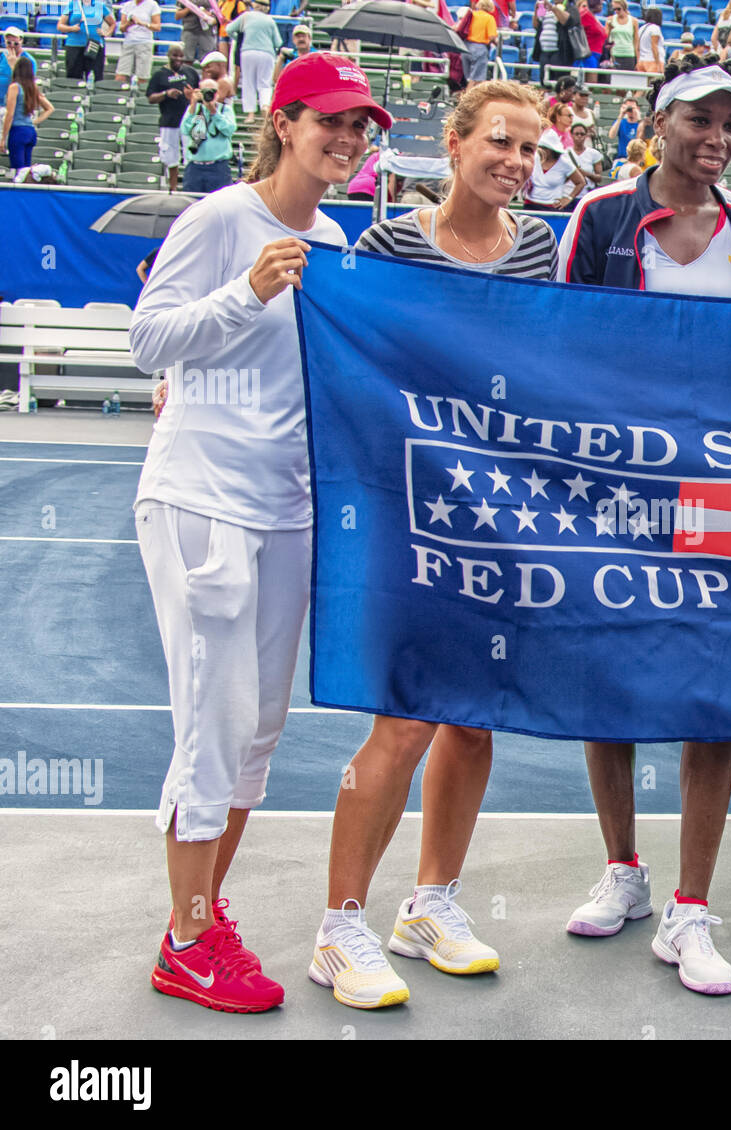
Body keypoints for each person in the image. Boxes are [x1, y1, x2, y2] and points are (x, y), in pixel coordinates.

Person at [129, 52, 389, 1013]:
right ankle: (188, 941)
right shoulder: (221, 218)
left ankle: (198, 914)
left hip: (289, 511)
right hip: (203, 501)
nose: (349, 140)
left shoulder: (332, 233)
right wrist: (246, 291)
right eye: (332, 121)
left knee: (254, 740)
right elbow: (148, 341)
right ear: (282, 122)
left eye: (362, 128)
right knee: (212, 727)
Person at [308, 81, 558, 1011]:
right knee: (406, 717)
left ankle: (432, 905)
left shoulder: (539, 247)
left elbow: (548, 371)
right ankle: (340, 927)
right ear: (452, 146)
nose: (517, 163)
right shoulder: (387, 245)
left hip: (500, 517)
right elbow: (363, 371)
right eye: (500, 142)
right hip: (406, 512)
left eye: (532, 151)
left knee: (471, 713)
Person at [556, 58, 731, 997]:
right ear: (659, 123)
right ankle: (625, 870)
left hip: (721, 498)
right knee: (608, 680)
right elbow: (557, 338)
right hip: (616, 493)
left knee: (713, 691)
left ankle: (691, 910)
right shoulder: (603, 217)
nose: (717, 138)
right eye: (700, 119)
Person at [147, 45, 201, 192]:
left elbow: (201, 92)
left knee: (192, 155)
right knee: (171, 157)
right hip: (169, 121)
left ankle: (190, 186)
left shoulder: (191, 72)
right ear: (168, 55)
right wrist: (166, 94)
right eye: (175, 55)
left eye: (180, 56)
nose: (178, 59)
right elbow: (150, 97)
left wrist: (192, 94)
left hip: (190, 121)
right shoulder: (159, 75)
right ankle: (173, 188)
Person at [180, 78, 238, 192]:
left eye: (212, 91)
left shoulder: (225, 110)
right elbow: (184, 130)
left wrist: (214, 112)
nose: (209, 94)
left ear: (217, 94)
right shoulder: (194, 109)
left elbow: (229, 130)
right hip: (195, 168)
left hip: (218, 168)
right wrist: (193, 104)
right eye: (205, 91)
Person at [224, 0, 280, 120]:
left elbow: (228, 29)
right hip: (267, 52)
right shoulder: (270, 21)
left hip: (248, 51)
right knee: (265, 83)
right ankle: (265, 105)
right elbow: (278, 42)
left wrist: (237, 38)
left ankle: (250, 114)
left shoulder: (246, 17)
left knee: (248, 82)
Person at [1, 56, 51, 172]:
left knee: (18, 171)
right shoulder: (32, 87)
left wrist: (3, 138)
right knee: (26, 170)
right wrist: (34, 122)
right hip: (30, 131)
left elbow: (10, 114)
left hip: (18, 131)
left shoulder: (15, 87)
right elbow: (49, 108)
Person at [523, 126, 585, 207]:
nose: (541, 150)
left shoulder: (564, 163)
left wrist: (569, 198)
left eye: (545, 148)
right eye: (540, 147)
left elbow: (581, 182)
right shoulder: (534, 158)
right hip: (529, 204)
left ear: (552, 150)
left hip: (552, 207)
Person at [58, 0, 115, 82]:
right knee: (73, 78)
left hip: (94, 46)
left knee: (96, 77)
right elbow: (60, 26)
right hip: (74, 45)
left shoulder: (100, 5)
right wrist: (71, 28)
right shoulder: (73, 4)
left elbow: (112, 23)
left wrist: (106, 33)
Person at [116, 0, 162, 83]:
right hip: (128, 43)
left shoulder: (152, 4)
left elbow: (157, 27)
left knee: (142, 77)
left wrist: (142, 23)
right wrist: (129, 24)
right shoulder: (127, 5)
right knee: (120, 75)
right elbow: (122, 28)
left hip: (144, 43)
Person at [532, 0, 581, 79]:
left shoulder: (570, 8)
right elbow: (536, 25)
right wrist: (536, 10)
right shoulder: (546, 9)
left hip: (560, 52)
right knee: (544, 79)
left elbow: (567, 21)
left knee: (559, 79)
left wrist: (553, 8)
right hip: (544, 51)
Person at [463, 0, 499, 88]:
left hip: (465, 47)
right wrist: (498, 43)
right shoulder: (489, 18)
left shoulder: (471, 15)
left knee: (473, 79)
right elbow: (492, 36)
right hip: (479, 49)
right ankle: (466, 98)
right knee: (475, 78)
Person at [176, 0, 218, 65]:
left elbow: (219, 14)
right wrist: (189, 8)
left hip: (207, 32)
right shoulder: (185, 1)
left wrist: (209, 14)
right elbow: (177, 16)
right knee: (186, 60)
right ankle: (186, 75)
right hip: (189, 31)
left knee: (207, 62)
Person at [568, 117, 603, 194]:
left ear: (586, 135)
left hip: (586, 193)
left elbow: (599, 178)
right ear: (571, 135)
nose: (579, 136)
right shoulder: (565, 153)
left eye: (582, 134)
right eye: (576, 134)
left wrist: (586, 174)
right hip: (568, 193)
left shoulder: (594, 153)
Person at [604, 0, 637, 71]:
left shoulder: (634, 21)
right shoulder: (610, 19)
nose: (616, 11)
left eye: (618, 9)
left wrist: (638, 59)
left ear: (624, 8)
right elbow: (605, 38)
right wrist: (609, 29)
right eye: (614, 9)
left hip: (629, 54)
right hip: (615, 54)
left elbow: (636, 42)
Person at [577, 0, 606, 69]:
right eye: (601, 4)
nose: (602, 7)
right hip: (588, 55)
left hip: (597, 55)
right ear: (595, 5)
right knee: (590, 80)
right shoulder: (585, 15)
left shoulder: (593, 17)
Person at [636, 6, 664, 73]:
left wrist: (638, 61)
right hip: (652, 62)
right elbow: (654, 47)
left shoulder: (641, 28)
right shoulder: (655, 28)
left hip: (642, 61)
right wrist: (658, 65)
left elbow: (637, 48)